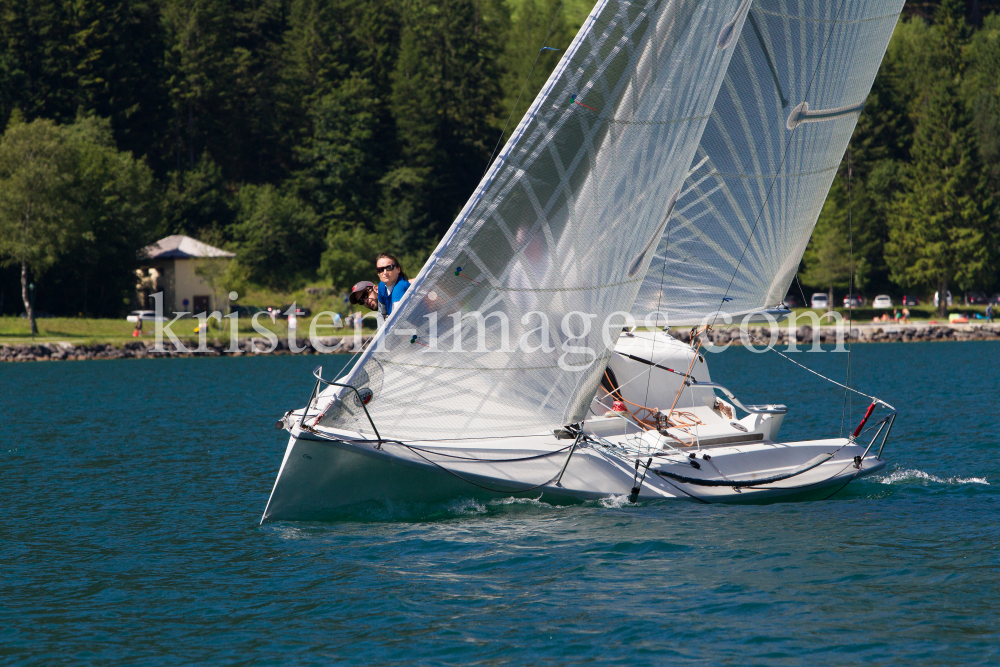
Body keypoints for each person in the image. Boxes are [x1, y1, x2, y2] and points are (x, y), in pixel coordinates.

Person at [375, 252, 410, 317]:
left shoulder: (400, 287)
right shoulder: (382, 285)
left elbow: (397, 319)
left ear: (398, 269)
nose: (385, 272)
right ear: (378, 273)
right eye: (380, 269)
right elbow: (382, 314)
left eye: (389, 268)